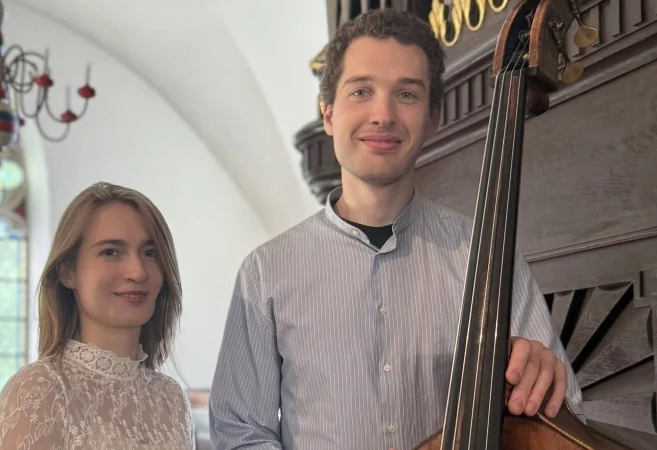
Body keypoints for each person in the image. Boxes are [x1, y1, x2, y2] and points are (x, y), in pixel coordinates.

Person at [209, 9, 584, 450]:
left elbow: (568, 414)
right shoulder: (265, 271)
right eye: (361, 91)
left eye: (406, 94)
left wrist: (543, 383)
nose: (383, 114)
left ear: (432, 118)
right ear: (329, 114)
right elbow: (240, 433)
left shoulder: (486, 256)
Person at [0, 182, 194, 450]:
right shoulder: (40, 391)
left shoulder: (172, 399)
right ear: (68, 272)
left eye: (150, 253)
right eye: (111, 252)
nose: (138, 272)